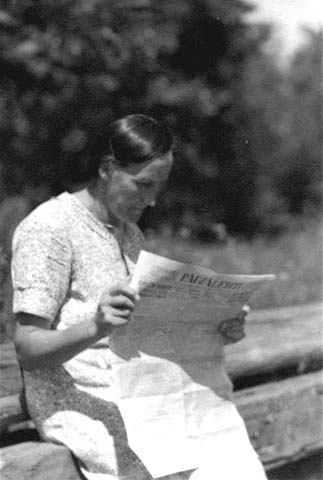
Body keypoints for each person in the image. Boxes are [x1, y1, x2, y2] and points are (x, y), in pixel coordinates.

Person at [12, 114, 267, 480]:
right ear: (106, 169)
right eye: (143, 185)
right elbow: (27, 347)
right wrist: (95, 326)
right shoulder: (49, 228)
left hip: (139, 390)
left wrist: (213, 327)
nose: (151, 201)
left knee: (229, 453)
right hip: (83, 403)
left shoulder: (128, 233)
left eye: (158, 187)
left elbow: (146, 327)